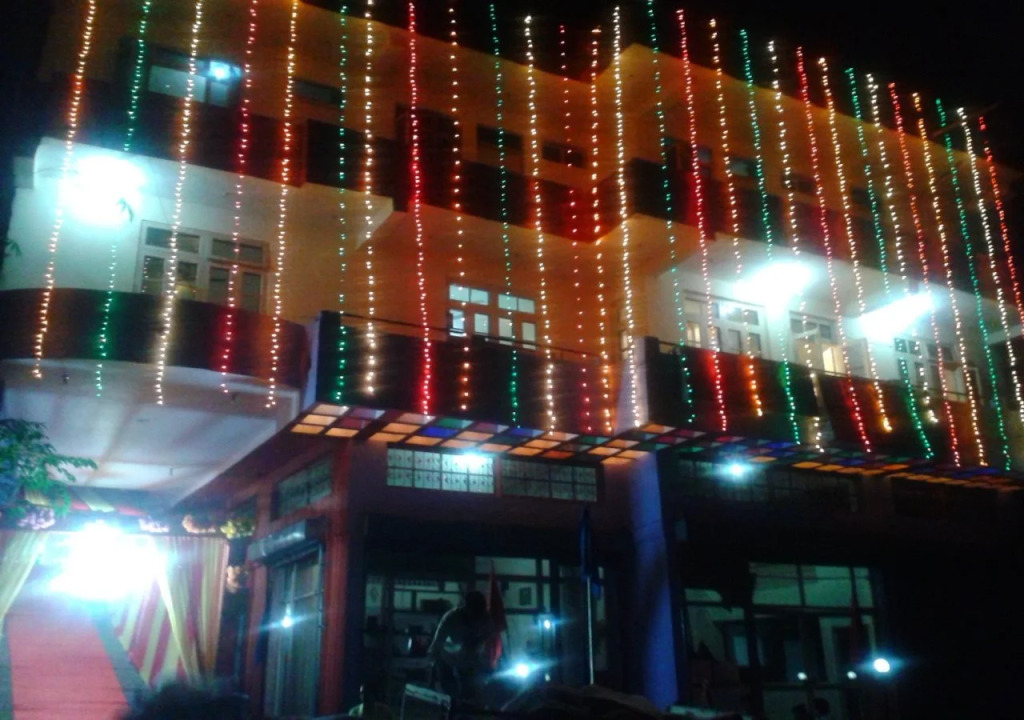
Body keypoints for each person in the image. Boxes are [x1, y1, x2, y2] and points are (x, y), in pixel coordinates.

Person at [428, 590, 495, 702]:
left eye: (479, 613)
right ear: (466, 607)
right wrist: (433, 667)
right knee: (450, 693)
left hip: (470, 661)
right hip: (448, 659)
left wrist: (477, 642)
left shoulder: (485, 618)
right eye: (474, 612)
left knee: (469, 693)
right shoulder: (451, 618)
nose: (476, 617)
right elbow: (437, 643)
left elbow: (490, 634)